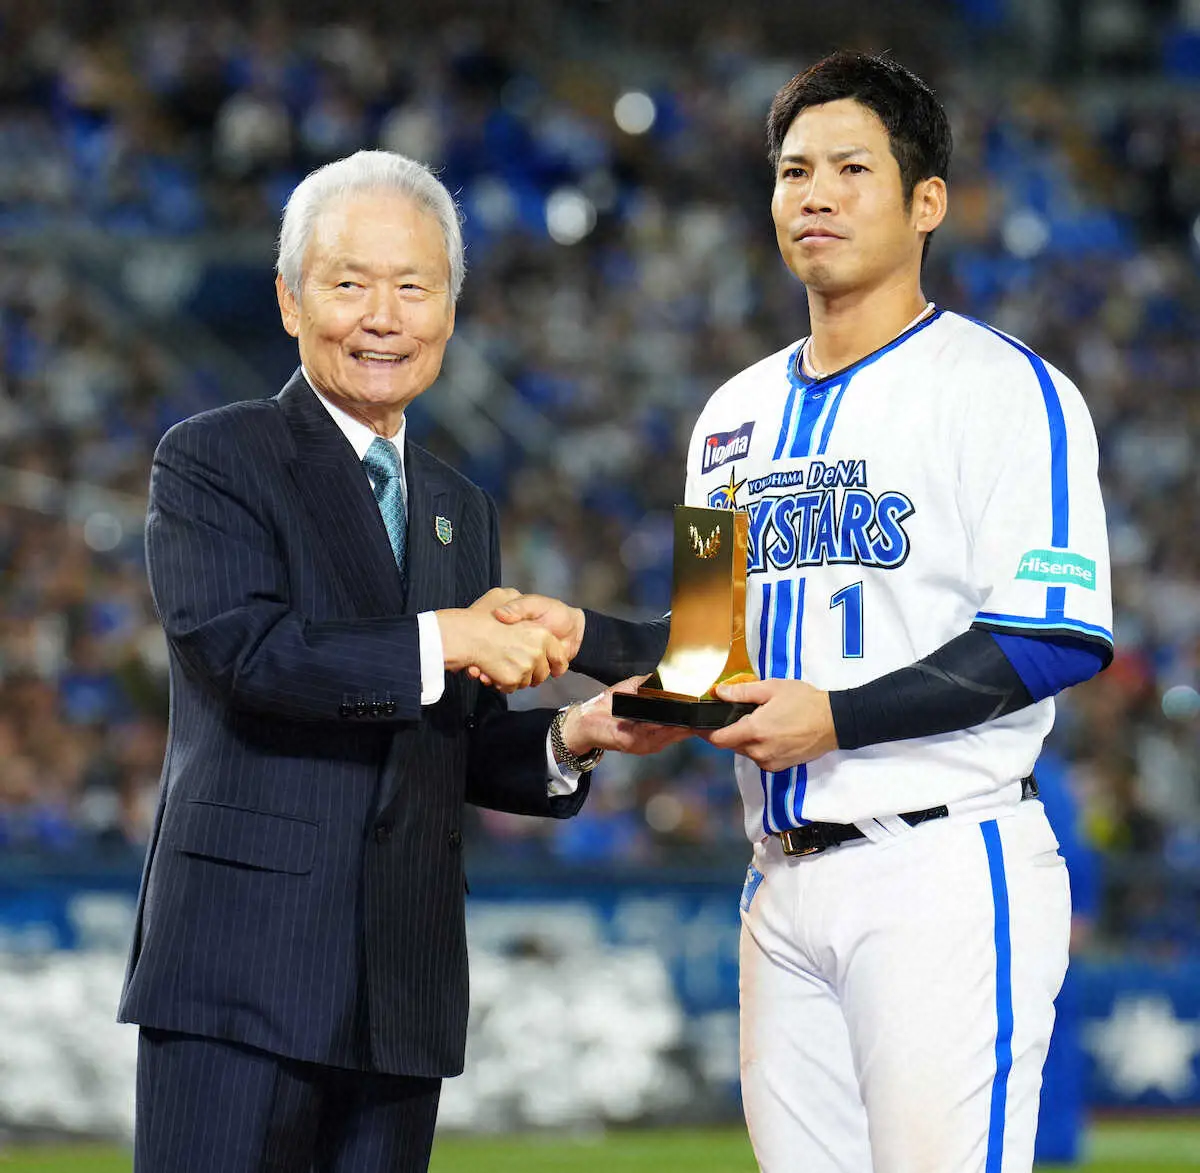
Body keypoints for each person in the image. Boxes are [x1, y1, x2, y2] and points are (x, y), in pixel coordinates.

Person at [498, 51, 1114, 1173]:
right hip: (778, 881)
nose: (814, 194)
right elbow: (707, 648)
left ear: (927, 202)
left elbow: (1054, 633)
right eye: (793, 172)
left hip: (939, 861)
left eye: (850, 169)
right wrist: (581, 636)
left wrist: (836, 719)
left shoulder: (1004, 387)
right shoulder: (730, 415)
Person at [117, 149, 683, 1173]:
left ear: (450, 311)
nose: (383, 317)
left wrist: (574, 733)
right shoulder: (214, 457)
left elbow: (450, 735)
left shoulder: (461, 507)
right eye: (350, 283)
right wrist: (449, 635)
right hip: (239, 977)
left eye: (414, 287)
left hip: (401, 991)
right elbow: (251, 655)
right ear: (290, 300)